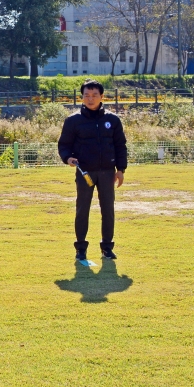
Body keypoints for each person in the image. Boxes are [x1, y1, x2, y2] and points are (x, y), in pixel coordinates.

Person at [57, 79, 127, 261]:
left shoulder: (112, 120)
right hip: (84, 172)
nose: (90, 99)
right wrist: (68, 158)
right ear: (82, 98)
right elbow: (64, 145)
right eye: (87, 95)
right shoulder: (73, 121)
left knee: (108, 210)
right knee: (82, 210)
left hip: (107, 172)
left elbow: (120, 146)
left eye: (94, 95)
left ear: (102, 97)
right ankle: (81, 248)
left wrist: (121, 169)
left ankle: (107, 247)